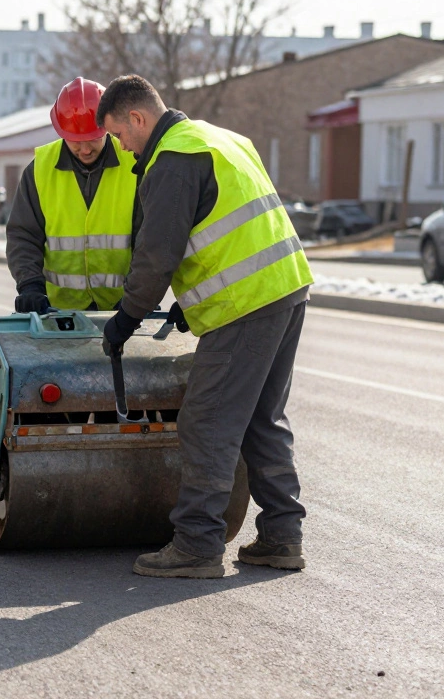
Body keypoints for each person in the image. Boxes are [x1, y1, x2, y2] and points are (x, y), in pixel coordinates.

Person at [95, 75, 313, 579]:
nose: (122, 149)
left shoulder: (172, 160)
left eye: (120, 136)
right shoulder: (222, 139)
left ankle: (196, 544)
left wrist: (125, 319)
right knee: (261, 417)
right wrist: (188, 307)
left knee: (208, 421)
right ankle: (282, 537)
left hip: (246, 306)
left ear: (137, 118)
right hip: (286, 288)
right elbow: (230, 229)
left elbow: (156, 257)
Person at [5, 77, 138, 314]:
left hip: (123, 311)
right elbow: (23, 235)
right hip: (59, 314)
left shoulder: (135, 165)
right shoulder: (39, 170)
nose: (85, 149)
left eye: (93, 139)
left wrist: (140, 295)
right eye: (76, 141)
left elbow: (151, 239)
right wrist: (30, 285)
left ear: (108, 127)